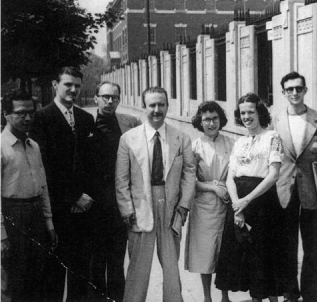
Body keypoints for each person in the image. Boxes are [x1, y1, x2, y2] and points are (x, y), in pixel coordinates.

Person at [116, 86, 196, 302]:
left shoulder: (181, 138)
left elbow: (189, 174)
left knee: (171, 268)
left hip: (171, 207)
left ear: (168, 106)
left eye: (161, 104)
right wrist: (126, 210)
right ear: (144, 107)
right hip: (140, 207)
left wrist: (183, 207)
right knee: (137, 270)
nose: (157, 109)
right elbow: (121, 180)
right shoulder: (128, 139)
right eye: (152, 105)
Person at [30, 67, 96, 301]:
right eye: (68, 84)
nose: (73, 90)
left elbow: (92, 164)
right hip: (57, 209)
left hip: (84, 209)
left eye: (77, 85)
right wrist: (73, 196)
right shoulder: (41, 119)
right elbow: (45, 167)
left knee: (80, 272)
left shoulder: (86, 119)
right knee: (53, 273)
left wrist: (86, 196)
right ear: (54, 85)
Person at [273, 72, 317, 302]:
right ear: (283, 92)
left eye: (298, 88)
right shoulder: (275, 120)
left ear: (305, 90)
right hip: (284, 188)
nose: (294, 93)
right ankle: (290, 294)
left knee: (313, 247)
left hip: (314, 188)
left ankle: (310, 294)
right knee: (286, 245)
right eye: (289, 89)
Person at [215, 93, 284, 302]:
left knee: (264, 255)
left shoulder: (272, 137)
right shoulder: (240, 142)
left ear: (259, 113)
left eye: (250, 112)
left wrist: (246, 201)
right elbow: (230, 178)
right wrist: (237, 205)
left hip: (263, 201)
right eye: (242, 113)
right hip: (239, 201)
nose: (246, 117)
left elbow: (273, 174)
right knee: (243, 255)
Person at [1, 89, 57, 301]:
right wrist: (1, 236)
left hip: (35, 217)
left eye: (31, 113)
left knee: (37, 278)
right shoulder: (1, 147)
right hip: (12, 217)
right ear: (6, 114)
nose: (27, 118)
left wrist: (49, 224)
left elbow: (43, 189)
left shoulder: (34, 147)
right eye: (20, 113)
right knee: (13, 281)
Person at [88, 81, 141, 301]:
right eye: (106, 97)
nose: (110, 101)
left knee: (117, 260)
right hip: (93, 203)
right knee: (95, 260)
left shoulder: (131, 123)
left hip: (119, 201)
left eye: (115, 98)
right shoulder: (84, 124)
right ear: (96, 98)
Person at [184, 101, 235, 302]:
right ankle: (207, 297)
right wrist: (212, 187)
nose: (211, 123)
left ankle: (225, 296)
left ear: (220, 120)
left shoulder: (231, 143)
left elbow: (236, 172)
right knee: (204, 252)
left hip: (226, 202)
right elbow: (188, 180)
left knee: (224, 251)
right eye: (207, 119)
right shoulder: (194, 147)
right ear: (200, 121)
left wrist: (227, 189)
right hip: (203, 205)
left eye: (215, 119)